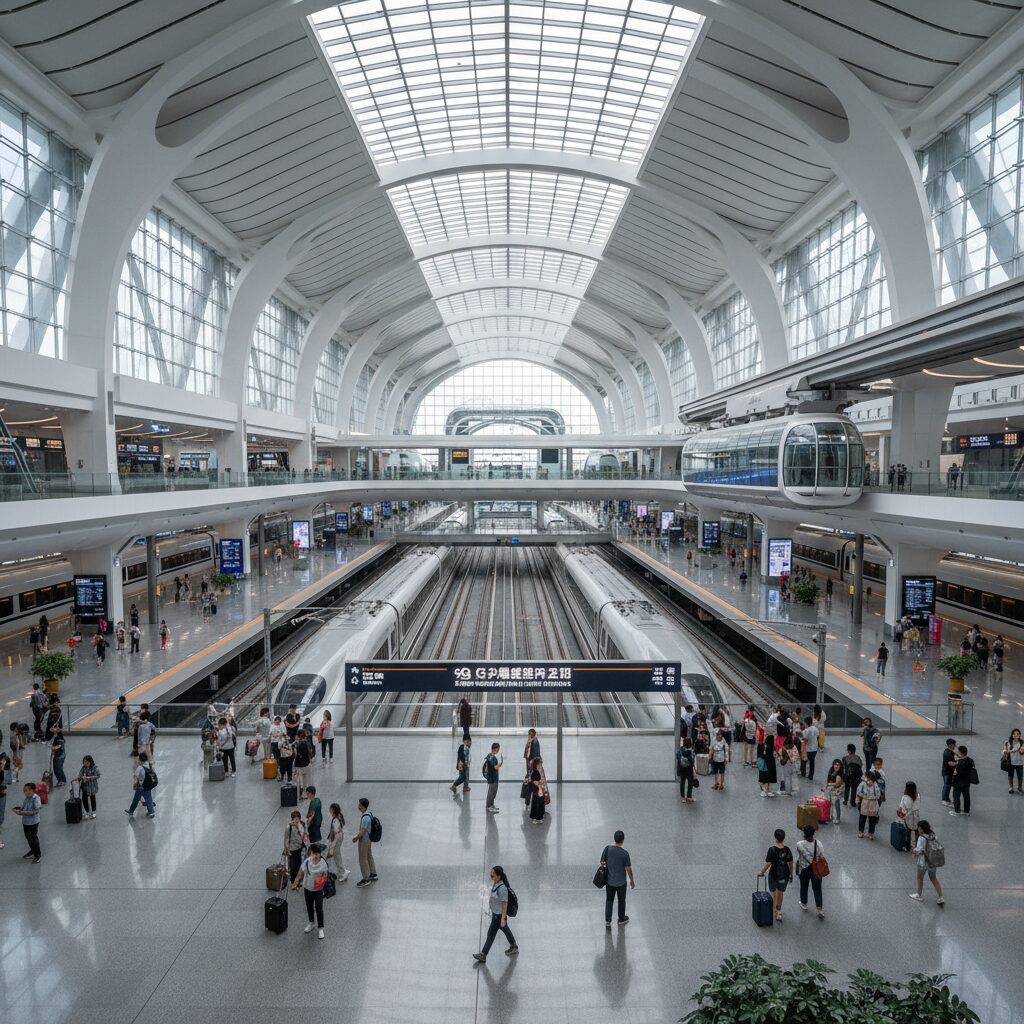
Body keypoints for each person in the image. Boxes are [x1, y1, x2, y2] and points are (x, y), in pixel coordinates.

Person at [473, 866, 518, 962]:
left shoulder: (502, 888)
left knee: (491, 934)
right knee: (504, 931)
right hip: (496, 915)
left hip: (499, 916)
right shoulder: (496, 884)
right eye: (491, 875)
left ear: (499, 876)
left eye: (493, 876)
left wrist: (503, 918)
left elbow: (504, 904)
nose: (491, 877)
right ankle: (514, 946)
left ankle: (483, 955)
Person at [292, 843, 329, 940]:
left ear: (320, 854)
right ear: (310, 853)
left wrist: (322, 880)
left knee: (319, 908)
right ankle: (311, 923)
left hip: (318, 890)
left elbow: (325, 875)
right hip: (308, 888)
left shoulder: (323, 863)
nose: (315, 856)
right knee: (309, 906)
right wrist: (295, 882)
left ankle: (320, 928)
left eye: (317, 854)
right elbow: (300, 872)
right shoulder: (307, 861)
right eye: (313, 854)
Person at [600, 830, 635, 928]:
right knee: (621, 900)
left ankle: (608, 920)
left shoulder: (607, 849)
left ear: (614, 839)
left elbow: (602, 862)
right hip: (621, 882)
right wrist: (632, 880)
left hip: (610, 881)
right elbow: (628, 869)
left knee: (609, 900)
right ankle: (621, 918)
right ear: (623, 840)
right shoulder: (625, 853)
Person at [758, 828, 794, 923]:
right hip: (784, 874)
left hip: (774, 874)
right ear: (783, 838)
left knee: (773, 891)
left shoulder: (772, 849)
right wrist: (791, 874)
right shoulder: (787, 850)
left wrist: (761, 872)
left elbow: (768, 863)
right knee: (780, 892)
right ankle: (778, 911)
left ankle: (773, 909)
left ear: (775, 837)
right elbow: (790, 863)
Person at [909, 819, 945, 905]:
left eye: (918, 827)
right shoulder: (932, 835)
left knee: (920, 878)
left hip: (923, 862)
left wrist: (913, 852)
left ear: (921, 828)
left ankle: (919, 895)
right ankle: (941, 897)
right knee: (933, 878)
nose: (918, 829)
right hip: (932, 861)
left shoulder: (921, 838)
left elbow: (919, 850)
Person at [795, 824, 826, 918]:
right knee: (817, 888)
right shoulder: (818, 843)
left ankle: (804, 903)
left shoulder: (800, 844)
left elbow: (799, 857)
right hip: (816, 869)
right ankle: (819, 909)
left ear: (804, 834)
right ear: (813, 833)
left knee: (804, 886)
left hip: (804, 869)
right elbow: (822, 856)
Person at [13, 782, 42, 862]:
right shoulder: (27, 798)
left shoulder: (36, 799)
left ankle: (38, 854)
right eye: (24, 790)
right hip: (26, 822)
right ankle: (33, 850)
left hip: (33, 822)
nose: (25, 792)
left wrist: (21, 812)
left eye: (27, 790)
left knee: (33, 838)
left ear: (32, 790)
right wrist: (19, 809)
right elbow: (24, 808)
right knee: (28, 838)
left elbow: (35, 811)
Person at [353, 797, 378, 886]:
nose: (358, 806)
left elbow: (363, 831)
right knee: (369, 856)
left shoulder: (365, 818)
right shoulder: (369, 813)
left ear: (362, 806)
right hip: (369, 840)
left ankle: (366, 878)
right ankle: (373, 873)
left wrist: (356, 838)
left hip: (364, 841)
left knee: (362, 859)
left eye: (359, 805)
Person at [124, 753, 156, 819]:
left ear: (140, 760)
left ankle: (131, 811)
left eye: (138, 759)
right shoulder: (148, 765)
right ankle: (151, 812)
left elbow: (135, 776)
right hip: (148, 786)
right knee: (149, 799)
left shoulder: (140, 767)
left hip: (141, 787)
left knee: (136, 799)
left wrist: (134, 784)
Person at [326, 803, 350, 882]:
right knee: (337, 855)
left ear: (333, 810)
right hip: (340, 836)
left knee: (337, 856)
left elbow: (336, 834)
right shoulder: (340, 816)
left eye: (330, 809)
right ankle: (342, 870)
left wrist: (332, 845)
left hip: (337, 838)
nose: (329, 811)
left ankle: (343, 872)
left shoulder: (335, 820)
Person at [950, 745, 976, 816]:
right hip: (967, 781)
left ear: (961, 753)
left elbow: (955, 772)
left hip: (958, 782)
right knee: (966, 796)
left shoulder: (960, 763)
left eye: (958, 751)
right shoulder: (970, 760)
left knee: (956, 796)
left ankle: (957, 810)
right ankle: (966, 811)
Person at [856, 770, 882, 839]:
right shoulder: (862, 784)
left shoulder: (875, 785)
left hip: (872, 804)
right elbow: (858, 792)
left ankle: (871, 833)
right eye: (868, 778)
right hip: (864, 803)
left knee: (872, 820)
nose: (869, 781)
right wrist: (864, 797)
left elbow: (878, 794)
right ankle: (861, 831)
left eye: (870, 779)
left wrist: (872, 797)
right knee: (862, 818)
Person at [283, 809, 307, 882]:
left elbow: (304, 835)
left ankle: (297, 877)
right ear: (292, 819)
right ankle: (293, 879)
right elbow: (286, 839)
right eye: (295, 819)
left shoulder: (301, 825)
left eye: (298, 819)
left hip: (300, 847)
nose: (297, 820)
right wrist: (287, 849)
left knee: (299, 863)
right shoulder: (289, 827)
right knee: (293, 866)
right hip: (292, 849)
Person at [897, 781, 921, 848]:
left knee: (908, 830)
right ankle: (917, 844)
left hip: (908, 816)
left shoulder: (905, 797)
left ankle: (908, 846)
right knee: (916, 830)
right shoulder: (918, 796)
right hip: (916, 815)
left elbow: (902, 807)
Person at [1004, 728, 1024, 793]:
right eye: (1014, 734)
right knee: (1010, 775)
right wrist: (1007, 751)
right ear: (1012, 735)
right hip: (1010, 762)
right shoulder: (1007, 742)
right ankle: (1011, 787)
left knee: (1020, 776)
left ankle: (1020, 787)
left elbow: (1022, 753)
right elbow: (1004, 751)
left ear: (1020, 735)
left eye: (1017, 734)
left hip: (1019, 762)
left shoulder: (1022, 743)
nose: (1016, 735)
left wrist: (1022, 750)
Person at [483, 742, 502, 813]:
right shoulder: (491, 757)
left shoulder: (490, 756)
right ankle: (489, 806)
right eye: (498, 749)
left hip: (494, 777)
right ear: (495, 749)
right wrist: (500, 764)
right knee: (491, 792)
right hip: (492, 778)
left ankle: (491, 805)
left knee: (493, 792)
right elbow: (495, 767)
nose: (498, 750)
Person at [825, 759, 844, 824]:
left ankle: (837, 818)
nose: (836, 766)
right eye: (835, 764)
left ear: (840, 766)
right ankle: (830, 816)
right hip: (830, 790)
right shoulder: (831, 771)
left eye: (838, 765)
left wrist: (830, 784)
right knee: (830, 803)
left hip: (837, 791)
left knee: (836, 804)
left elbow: (837, 784)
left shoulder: (840, 774)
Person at [529, 757, 548, 823]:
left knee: (539, 804)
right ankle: (535, 818)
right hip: (537, 790)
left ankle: (539, 818)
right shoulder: (535, 772)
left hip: (539, 790)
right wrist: (540, 789)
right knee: (537, 804)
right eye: (540, 764)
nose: (541, 765)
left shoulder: (538, 771)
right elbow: (536, 782)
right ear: (536, 765)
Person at [940, 737, 957, 805]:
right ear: (950, 745)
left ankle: (947, 799)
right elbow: (950, 763)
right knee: (947, 786)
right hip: (947, 772)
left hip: (947, 772)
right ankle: (944, 800)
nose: (955, 746)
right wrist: (958, 763)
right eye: (954, 745)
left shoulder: (949, 751)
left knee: (948, 785)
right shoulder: (948, 753)